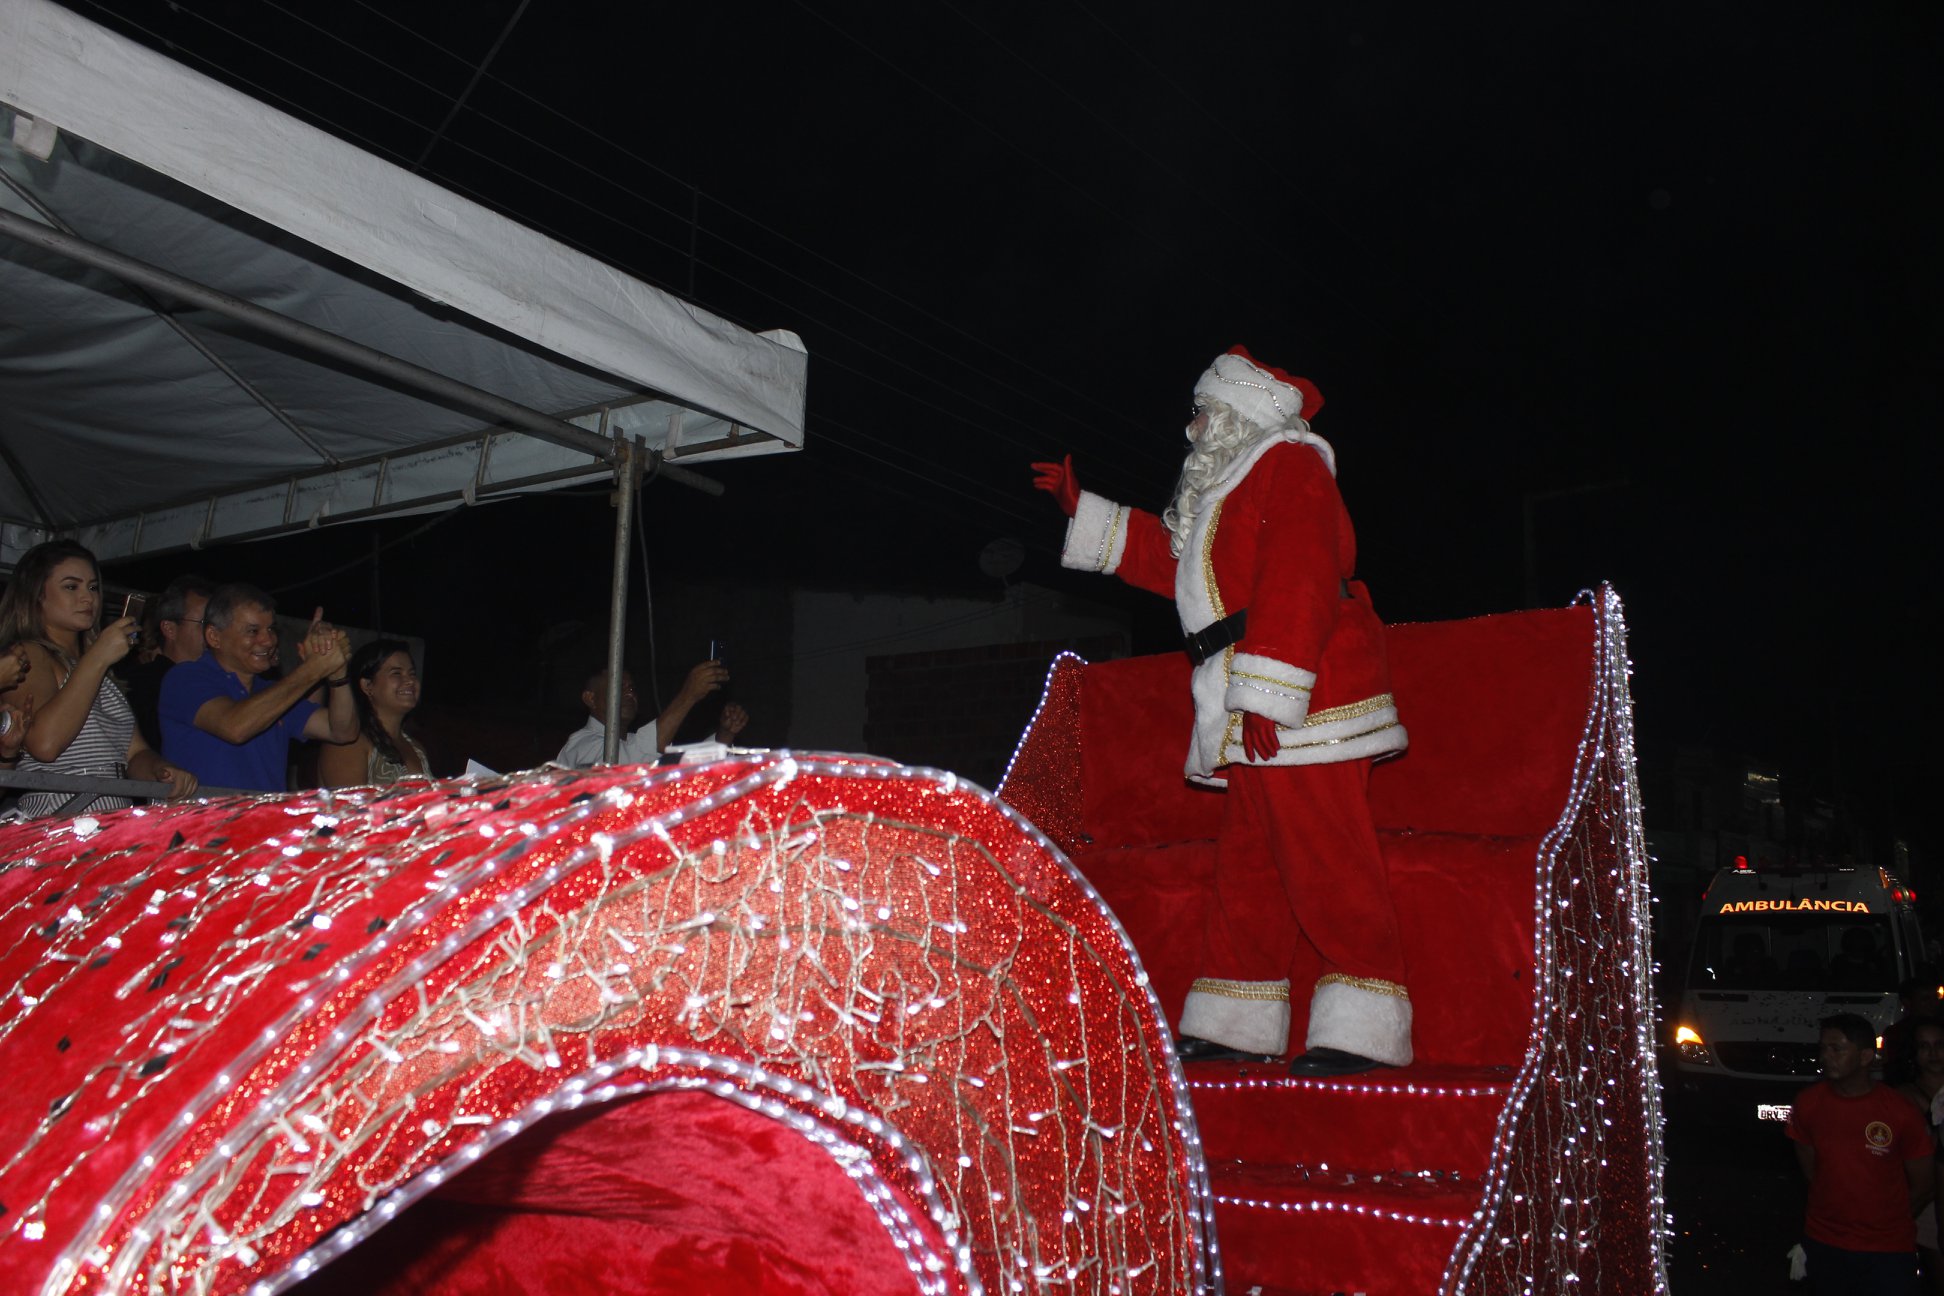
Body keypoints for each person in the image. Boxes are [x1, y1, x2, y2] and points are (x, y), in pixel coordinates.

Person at [1032, 346, 1409, 1077]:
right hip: (1253, 693)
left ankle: (1367, 1022)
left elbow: (1300, 580)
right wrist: (1086, 515)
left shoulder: (1291, 467)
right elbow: (1179, 567)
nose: (1193, 427)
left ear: (1239, 413)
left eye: (1203, 412)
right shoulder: (1231, 487)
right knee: (1253, 864)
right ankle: (1241, 1019)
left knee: (1327, 860)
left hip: (1309, 695)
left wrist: (1273, 695)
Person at [0, 540, 198, 817]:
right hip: (59, 820)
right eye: (71, 587)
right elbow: (44, 745)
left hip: (110, 819)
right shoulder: (30, 655)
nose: (87, 598)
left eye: (93, 587)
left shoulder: (97, 671)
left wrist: (160, 770)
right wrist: (98, 657)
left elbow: (133, 753)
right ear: (36, 596)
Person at [159, 583, 357, 792]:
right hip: (207, 822)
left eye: (270, 629)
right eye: (253, 631)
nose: (268, 640)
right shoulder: (185, 677)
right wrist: (312, 669)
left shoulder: (270, 691)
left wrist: (337, 673)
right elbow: (235, 727)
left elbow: (342, 731)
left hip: (265, 822)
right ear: (214, 637)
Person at [1789, 1012, 1933, 1295]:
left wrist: (1885, 1220)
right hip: (1825, 1241)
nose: (1826, 1056)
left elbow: (1924, 1182)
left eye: (1837, 1049)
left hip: (1887, 1249)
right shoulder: (1808, 1104)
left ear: (1866, 1056)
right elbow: (1811, 1170)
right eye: (1823, 1048)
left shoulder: (1898, 1111)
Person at [555, 660, 747, 768]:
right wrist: (688, 695)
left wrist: (725, 735)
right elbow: (624, 762)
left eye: (632, 688)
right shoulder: (581, 745)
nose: (629, 693)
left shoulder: (630, 743)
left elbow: (686, 767)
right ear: (590, 698)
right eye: (619, 687)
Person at [117, 574, 214, 751]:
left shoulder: (220, 681)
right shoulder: (141, 683)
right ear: (169, 629)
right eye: (203, 624)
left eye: (217, 625)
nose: (213, 634)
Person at [317, 638, 432, 788]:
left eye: (412, 674)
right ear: (367, 685)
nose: (410, 681)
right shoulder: (347, 742)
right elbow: (350, 807)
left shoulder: (417, 749)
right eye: (396, 673)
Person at [1898, 1016, 1944, 1293]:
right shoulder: (1902, 1096)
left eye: (1940, 1045)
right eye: (1924, 1046)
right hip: (1928, 1196)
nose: (1933, 1053)